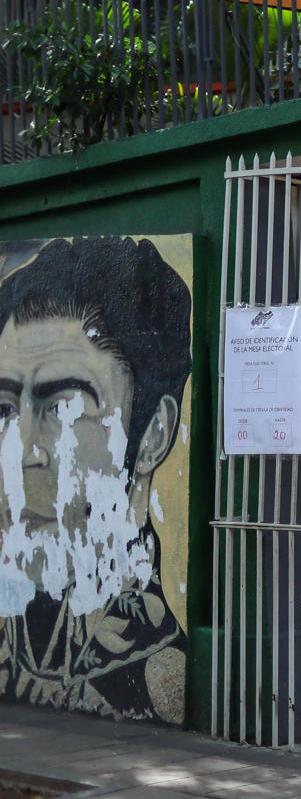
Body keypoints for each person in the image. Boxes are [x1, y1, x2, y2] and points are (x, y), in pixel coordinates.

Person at [0, 238, 191, 724]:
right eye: (3, 410)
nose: (25, 452)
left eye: (63, 408)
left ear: (154, 433)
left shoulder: (153, 677)